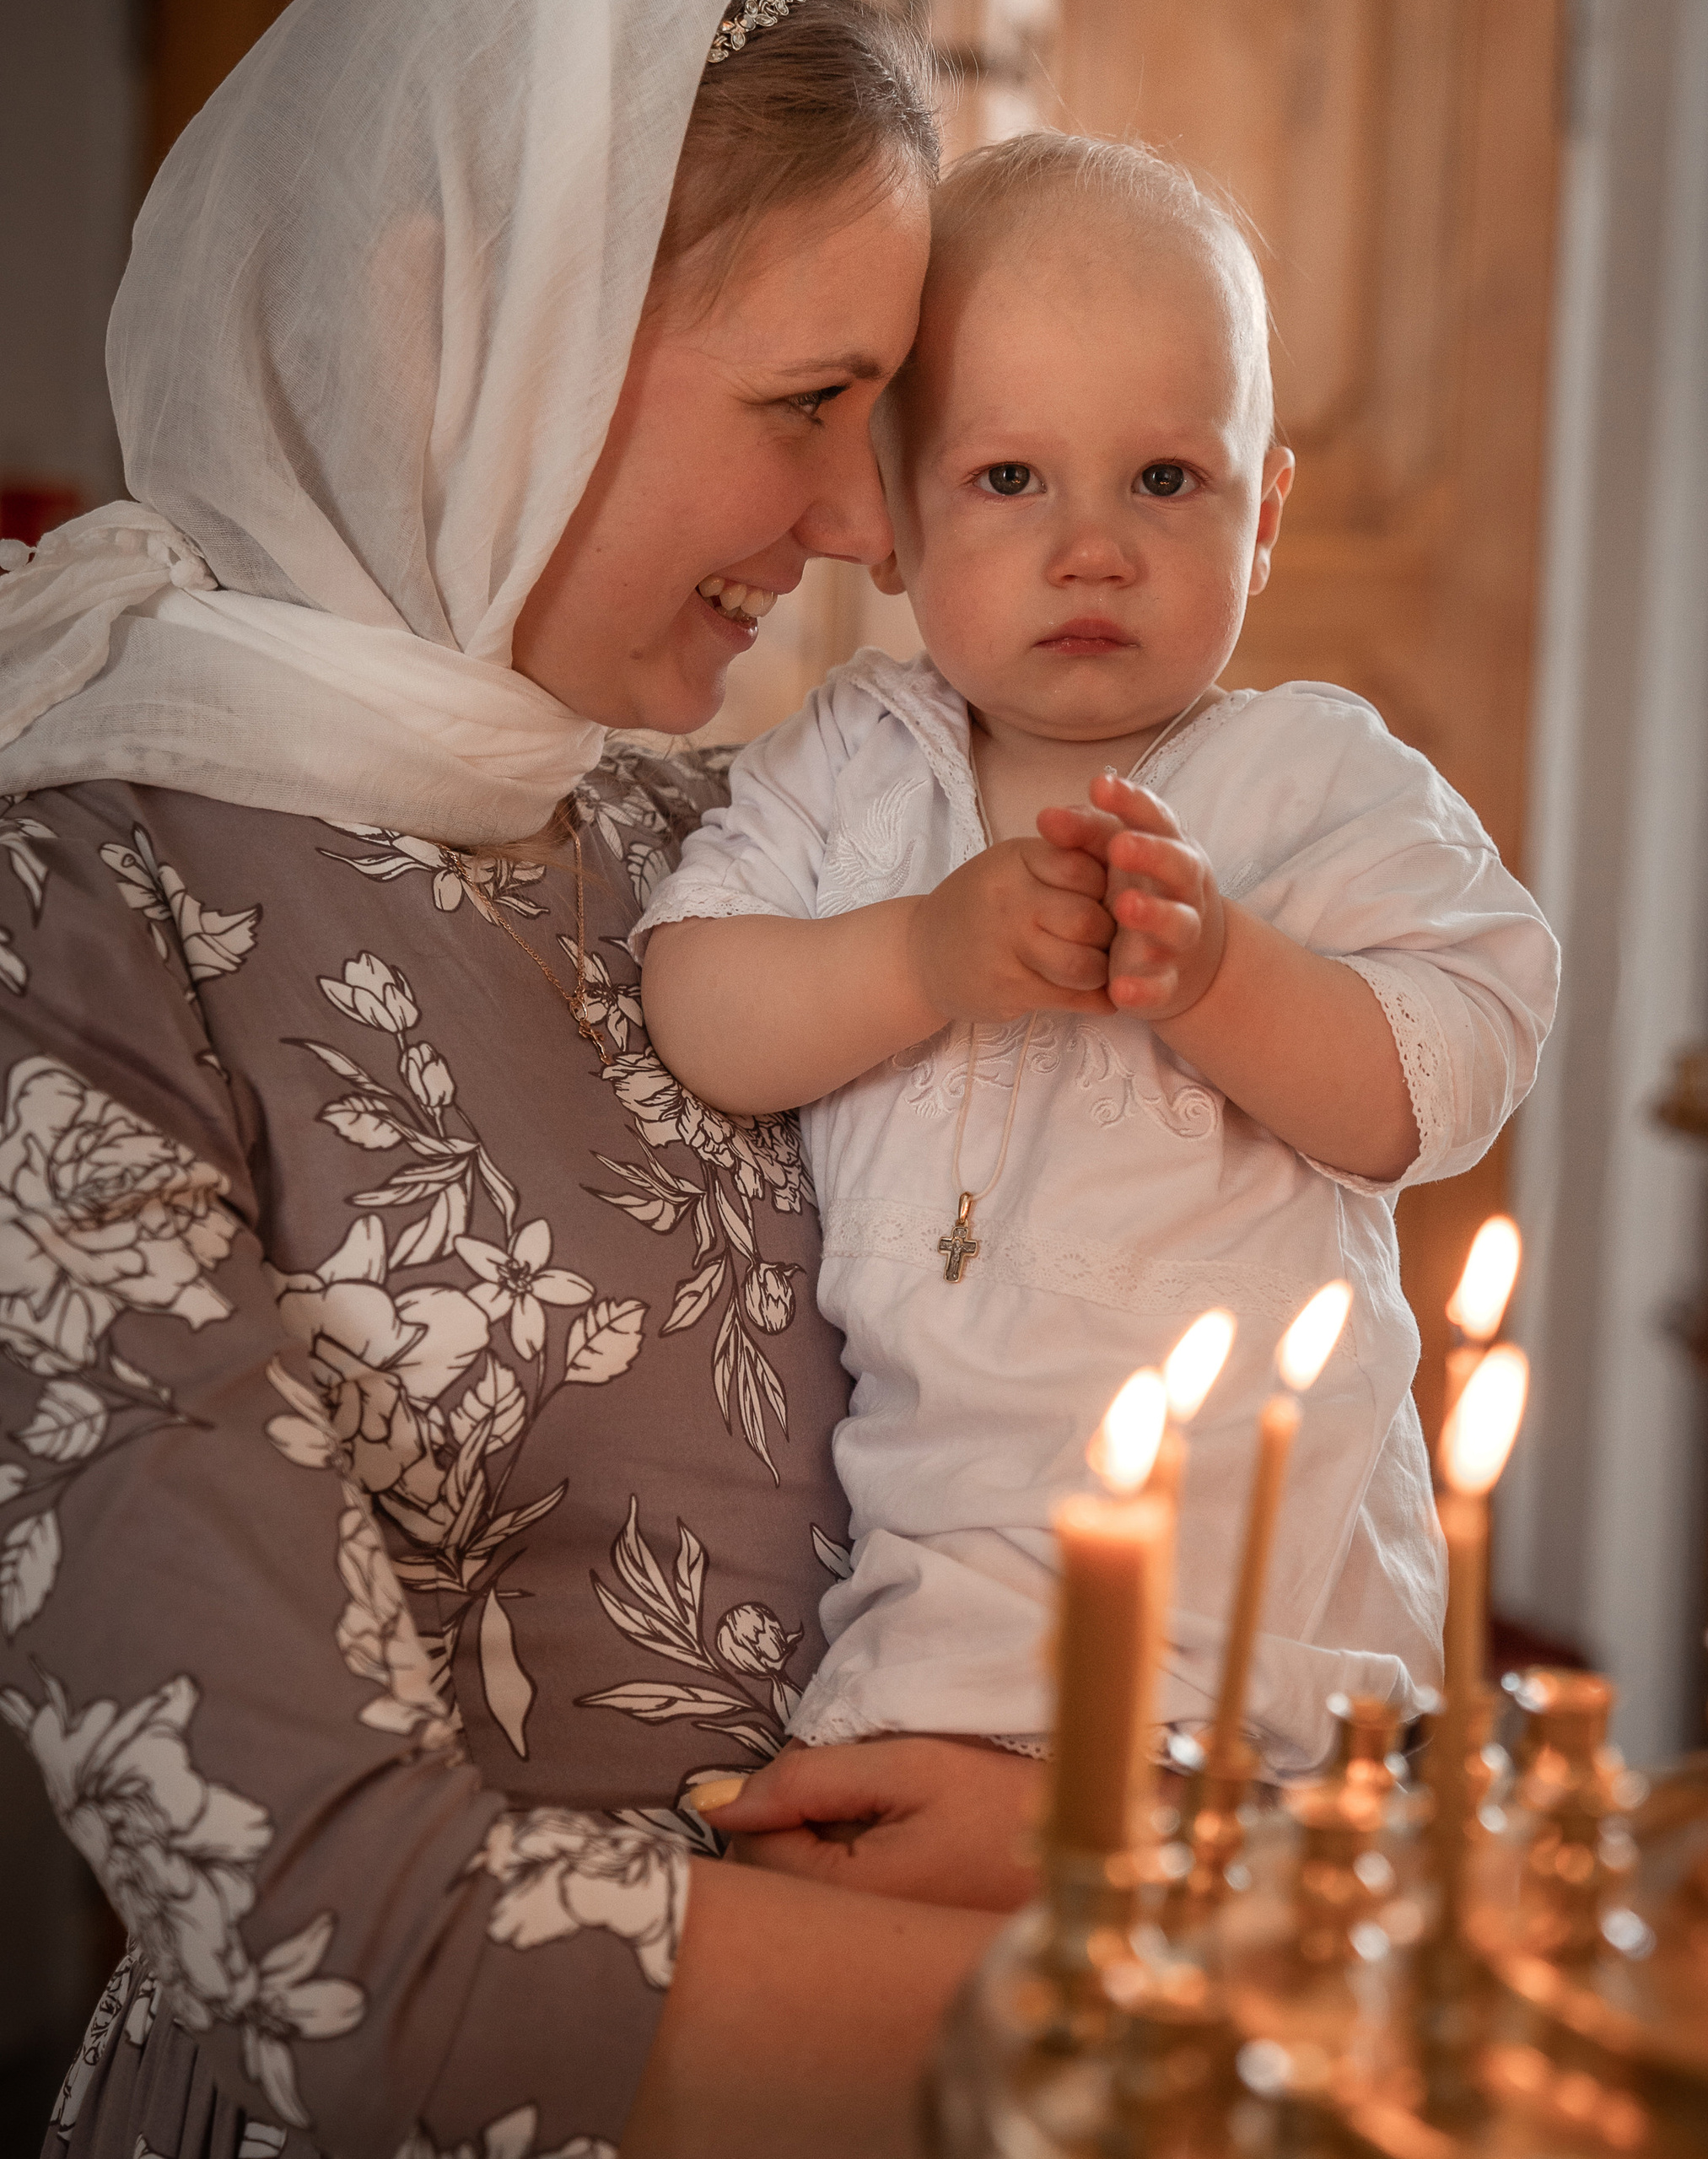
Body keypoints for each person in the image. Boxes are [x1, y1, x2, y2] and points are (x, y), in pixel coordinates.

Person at [0, 5, 1039, 2155]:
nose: (864, 516)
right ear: (454, 326)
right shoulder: (71, 926)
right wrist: (1207, 1990)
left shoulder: (728, 853)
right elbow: (341, 1937)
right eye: (808, 403)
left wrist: (1065, 1789)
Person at [638, 135, 1561, 1792]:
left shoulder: (1313, 779)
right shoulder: (850, 767)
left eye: (1162, 480)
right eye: (1008, 481)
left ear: (1261, 513)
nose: (1091, 547)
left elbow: (1453, 1071)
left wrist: (1226, 980)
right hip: (936, 1599)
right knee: (924, 1978)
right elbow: (698, 1002)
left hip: (1268, 1632)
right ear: (891, 523)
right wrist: (918, 952)